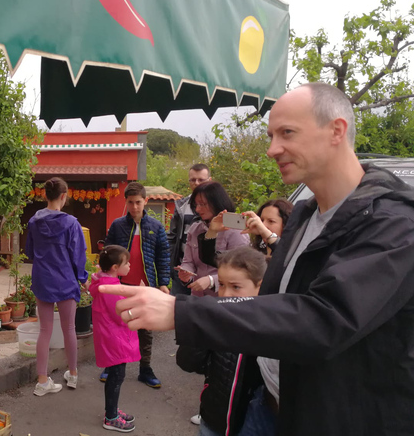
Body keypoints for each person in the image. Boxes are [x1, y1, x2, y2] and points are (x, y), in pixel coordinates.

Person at [100, 82, 414, 436]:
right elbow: (272, 302)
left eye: (287, 133)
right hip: (266, 405)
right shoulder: (305, 216)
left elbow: (322, 319)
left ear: (336, 131)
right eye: (270, 135)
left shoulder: (394, 223)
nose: (272, 149)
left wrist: (180, 311)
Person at [177, 246, 267, 436]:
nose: (225, 294)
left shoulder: (270, 328)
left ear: (259, 285)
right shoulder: (217, 319)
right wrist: (201, 328)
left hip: (250, 425)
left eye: (235, 287)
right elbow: (188, 363)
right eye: (222, 285)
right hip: (213, 420)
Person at [100, 181, 170, 388]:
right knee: (116, 327)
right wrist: (103, 275)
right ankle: (112, 365)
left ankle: (145, 369)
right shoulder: (117, 225)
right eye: (130, 202)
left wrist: (163, 283)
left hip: (144, 285)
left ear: (145, 201)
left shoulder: (156, 227)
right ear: (126, 202)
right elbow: (107, 252)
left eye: (138, 202)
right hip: (119, 285)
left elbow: (163, 256)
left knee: (145, 329)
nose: (134, 207)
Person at [25, 177, 89, 396]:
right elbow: (78, 255)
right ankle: (73, 374)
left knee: (44, 330)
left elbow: (30, 252)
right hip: (65, 281)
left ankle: (42, 381)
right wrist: (83, 278)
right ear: (64, 196)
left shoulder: (34, 221)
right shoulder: (71, 223)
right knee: (69, 329)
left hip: (43, 280)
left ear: (45, 195)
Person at [91, 245, 140, 433]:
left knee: (115, 375)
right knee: (116, 376)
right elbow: (121, 314)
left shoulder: (104, 282)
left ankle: (112, 410)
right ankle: (110, 417)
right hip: (114, 338)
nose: (128, 266)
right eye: (126, 263)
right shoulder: (111, 288)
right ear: (114, 267)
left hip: (110, 336)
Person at [176, 182, 250, 297]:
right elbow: (188, 261)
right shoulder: (195, 228)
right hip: (198, 296)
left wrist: (212, 280)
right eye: (196, 205)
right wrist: (185, 273)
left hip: (224, 298)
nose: (198, 209)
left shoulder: (235, 228)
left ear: (216, 202)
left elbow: (241, 268)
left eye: (203, 204)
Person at [168, 164, 211, 295]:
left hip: (206, 272)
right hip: (182, 269)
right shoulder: (182, 205)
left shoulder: (215, 206)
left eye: (201, 180)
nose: (196, 183)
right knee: (177, 309)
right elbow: (172, 237)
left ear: (209, 180)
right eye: (193, 180)